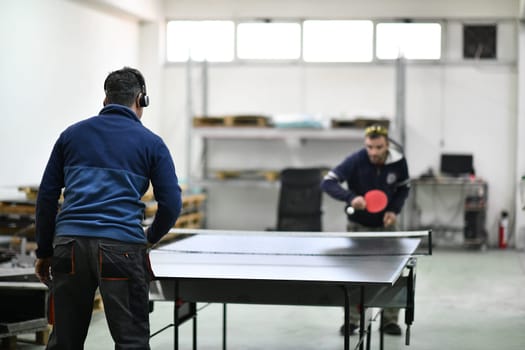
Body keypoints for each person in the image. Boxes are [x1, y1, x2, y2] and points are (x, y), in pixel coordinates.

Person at [34, 67, 182, 350]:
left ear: (105, 100)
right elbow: (172, 203)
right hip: (122, 249)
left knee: (64, 340)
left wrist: (44, 251)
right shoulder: (152, 143)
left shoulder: (71, 135)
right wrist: (148, 238)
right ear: (141, 100)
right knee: (131, 342)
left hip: (70, 248)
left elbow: (47, 197)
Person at [320, 124, 410, 336]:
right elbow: (328, 183)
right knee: (353, 275)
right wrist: (351, 198)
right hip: (358, 226)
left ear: (387, 144)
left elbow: (404, 187)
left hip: (387, 227)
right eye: (369, 147)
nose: (374, 152)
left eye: (378, 147)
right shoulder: (356, 160)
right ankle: (351, 321)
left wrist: (394, 210)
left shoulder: (398, 161)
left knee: (394, 274)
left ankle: (389, 321)